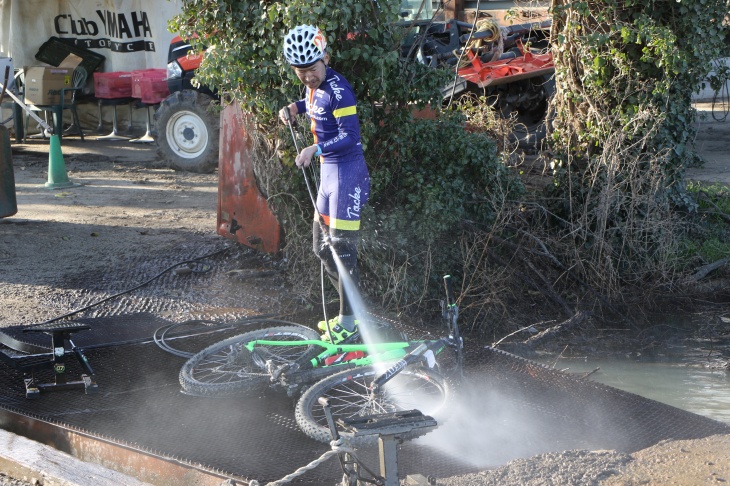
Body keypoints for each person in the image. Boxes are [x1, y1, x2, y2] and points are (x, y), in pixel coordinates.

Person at [278, 24, 370, 345]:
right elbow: (313, 104)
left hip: (347, 175)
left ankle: (349, 320)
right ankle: (352, 312)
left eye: (313, 69)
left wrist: (315, 148)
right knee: (321, 247)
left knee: (343, 249)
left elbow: (351, 136)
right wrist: (294, 107)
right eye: (301, 72)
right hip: (328, 177)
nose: (308, 77)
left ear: (326, 58)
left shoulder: (339, 89)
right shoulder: (312, 87)